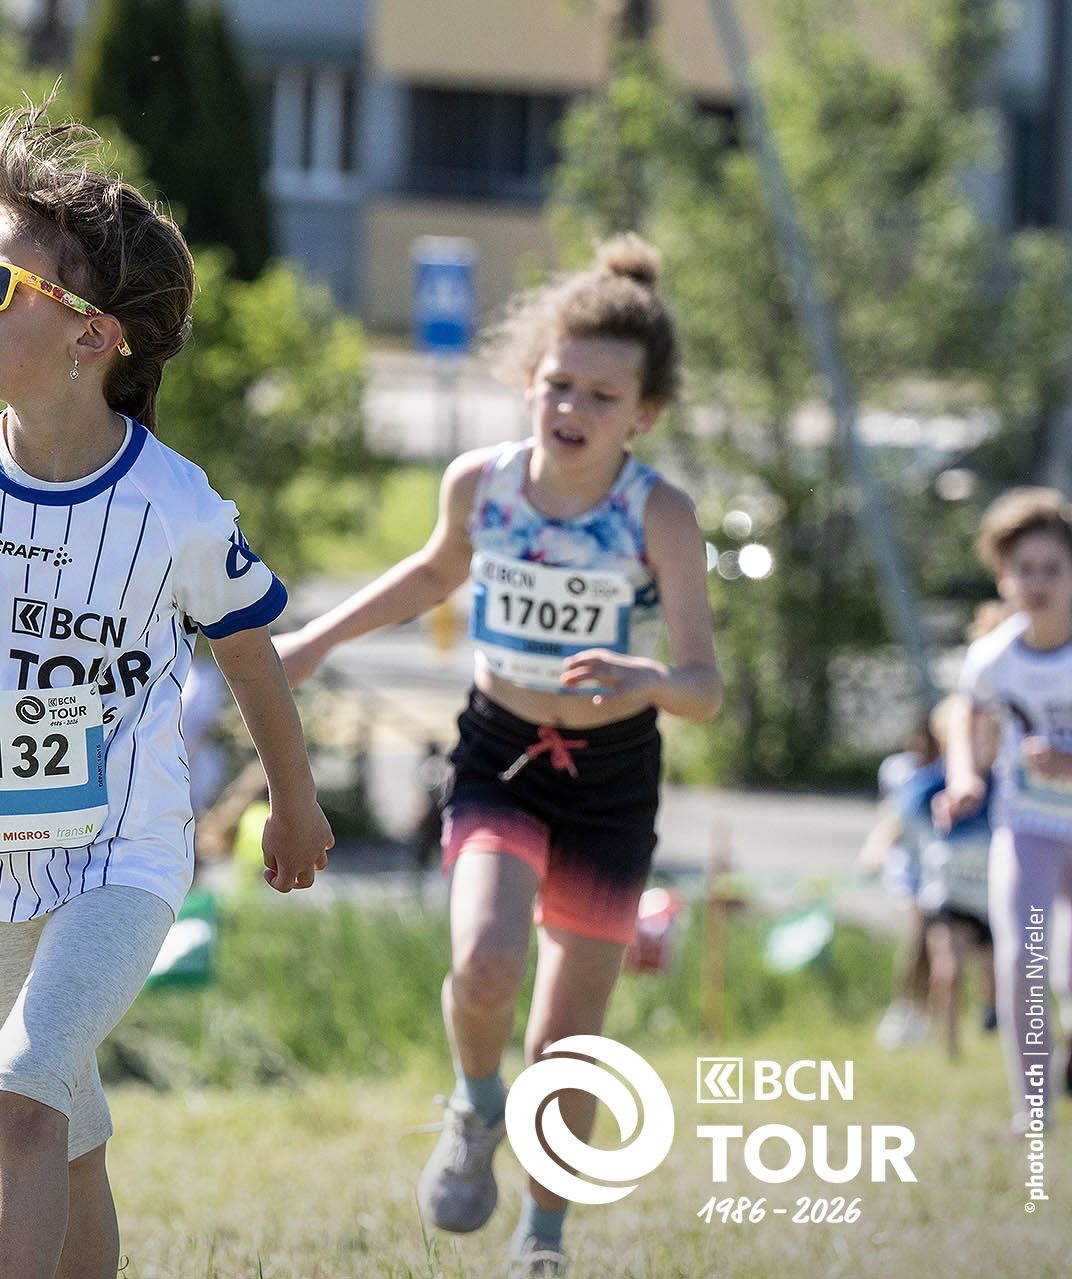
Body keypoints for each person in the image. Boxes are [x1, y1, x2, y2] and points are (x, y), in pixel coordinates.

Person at [0, 105, 333, 1279]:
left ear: (91, 337)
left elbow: (251, 654)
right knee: (65, 1137)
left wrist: (296, 798)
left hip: (125, 857)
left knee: (18, 1097)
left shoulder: (176, 505)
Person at [276, 235, 721, 1276]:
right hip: (500, 754)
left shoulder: (660, 513)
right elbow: (432, 573)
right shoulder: (481, 485)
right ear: (529, 380)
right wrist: (314, 641)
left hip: (612, 781)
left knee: (567, 1040)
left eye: (603, 396)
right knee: (483, 961)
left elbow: (704, 688)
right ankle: (478, 1108)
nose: (573, 407)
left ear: (645, 412)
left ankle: (543, 1240)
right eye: (558, 383)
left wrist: (650, 678)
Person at [937, 487, 1072, 1134]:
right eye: (1025, 569)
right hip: (1028, 827)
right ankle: (1034, 1108)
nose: (1038, 582)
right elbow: (967, 713)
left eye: (1053, 568)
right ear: (1004, 578)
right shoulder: (994, 656)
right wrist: (964, 775)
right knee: (1024, 957)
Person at [859, 713, 940, 1049]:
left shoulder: (944, 770)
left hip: (938, 868)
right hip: (907, 869)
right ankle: (904, 1007)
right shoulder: (897, 769)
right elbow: (891, 813)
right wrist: (877, 849)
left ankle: (924, 1014)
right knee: (916, 937)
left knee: (934, 948)